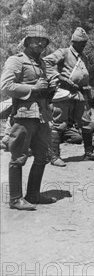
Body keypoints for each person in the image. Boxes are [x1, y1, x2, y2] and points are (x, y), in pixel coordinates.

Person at [1, 25, 56, 210]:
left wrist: (49, 88)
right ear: (26, 41)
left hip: (41, 115)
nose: (40, 43)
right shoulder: (16, 61)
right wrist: (33, 88)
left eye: (43, 41)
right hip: (24, 115)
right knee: (18, 157)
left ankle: (33, 194)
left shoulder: (41, 63)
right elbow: (6, 86)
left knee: (42, 156)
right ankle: (15, 199)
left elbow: (42, 87)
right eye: (36, 39)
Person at [44, 27, 94, 166]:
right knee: (59, 124)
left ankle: (89, 152)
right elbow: (46, 62)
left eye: (85, 43)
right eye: (81, 43)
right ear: (73, 42)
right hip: (64, 93)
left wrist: (86, 89)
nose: (83, 45)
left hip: (79, 94)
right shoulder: (63, 52)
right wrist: (59, 77)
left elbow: (84, 74)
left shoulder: (84, 57)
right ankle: (54, 157)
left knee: (87, 123)